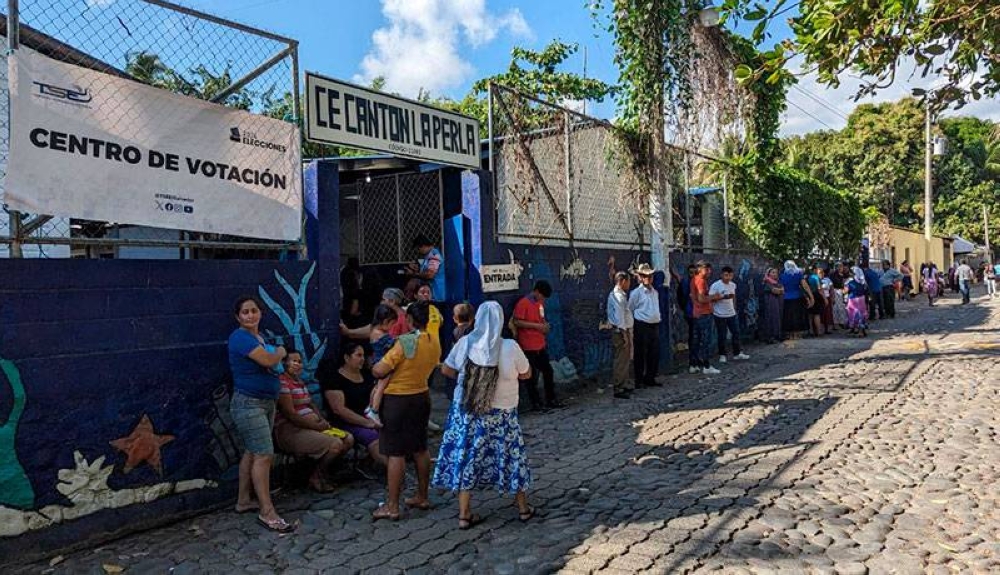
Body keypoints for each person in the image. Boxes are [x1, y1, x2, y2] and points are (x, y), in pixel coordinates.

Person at [432, 302, 535, 529]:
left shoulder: (465, 344)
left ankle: (463, 514)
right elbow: (526, 374)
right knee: (511, 458)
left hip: (468, 412)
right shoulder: (510, 347)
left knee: (468, 457)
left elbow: (446, 370)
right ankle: (523, 508)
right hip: (503, 414)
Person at [227, 296, 294, 533]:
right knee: (264, 454)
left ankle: (244, 500)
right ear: (238, 317)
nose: (250, 315)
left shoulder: (258, 337)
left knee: (252, 451)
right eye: (245, 312)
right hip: (249, 403)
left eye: (254, 310)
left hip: (265, 401)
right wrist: (281, 351)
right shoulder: (240, 338)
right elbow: (267, 359)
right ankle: (267, 511)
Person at [371, 301, 442, 521]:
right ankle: (422, 495)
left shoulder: (405, 343)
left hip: (397, 400)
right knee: (420, 448)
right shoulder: (434, 340)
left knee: (396, 453)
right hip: (421, 395)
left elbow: (379, 369)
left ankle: (392, 505)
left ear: (410, 321)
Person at [274, 350, 354, 493]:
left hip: (313, 427)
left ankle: (319, 472)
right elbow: (290, 414)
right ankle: (317, 476)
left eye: (300, 361)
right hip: (291, 431)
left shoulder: (299, 382)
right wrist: (315, 426)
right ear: (284, 363)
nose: (298, 364)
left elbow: (311, 404)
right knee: (335, 444)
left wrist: (322, 421)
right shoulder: (282, 383)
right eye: (294, 361)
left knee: (348, 439)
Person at [321, 342, 387, 470]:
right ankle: (395, 473)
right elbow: (339, 410)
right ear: (346, 358)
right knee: (372, 436)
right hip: (347, 421)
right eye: (358, 355)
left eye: (363, 355)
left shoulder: (366, 375)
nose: (362, 359)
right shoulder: (334, 379)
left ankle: (372, 462)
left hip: (369, 415)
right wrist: (367, 423)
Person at [513, 280, 564, 410]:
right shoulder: (523, 303)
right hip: (528, 345)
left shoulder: (540, 303)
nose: (542, 299)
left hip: (539, 344)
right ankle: (536, 403)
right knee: (531, 376)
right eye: (541, 295)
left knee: (548, 371)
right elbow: (517, 322)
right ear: (536, 291)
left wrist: (544, 326)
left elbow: (541, 318)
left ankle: (550, 399)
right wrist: (537, 326)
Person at [628, 264, 664, 386]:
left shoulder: (655, 292)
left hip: (654, 325)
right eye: (645, 276)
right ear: (640, 277)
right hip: (641, 325)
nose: (648, 278)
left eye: (650, 275)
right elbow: (630, 308)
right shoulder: (636, 293)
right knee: (640, 354)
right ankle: (639, 380)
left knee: (654, 353)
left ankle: (650, 378)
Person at [709, 266, 749, 364]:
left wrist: (734, 308)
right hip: (719, 314)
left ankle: (737, 353)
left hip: (731, 313)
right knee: (722, 335)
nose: (728, 278)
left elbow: (733, 297)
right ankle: (722, 355)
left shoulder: (732, 285)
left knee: (736, 333)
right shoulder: (715, 285)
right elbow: (710, 298)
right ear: (721, 275)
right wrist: (722, 297)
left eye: (730, 275)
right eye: (726, 275)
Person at [607, 271, 635, 399]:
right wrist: (624, 334)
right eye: (628, 281)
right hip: (620, 332)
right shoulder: (618, 296)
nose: (629, 284)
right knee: (621, 360)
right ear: (623, 281)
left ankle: (623, 384)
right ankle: (618, 387)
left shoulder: (620, 295)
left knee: (625, 359)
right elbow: (619, 318)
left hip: (623, 330)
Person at [690, 261, 720, 375]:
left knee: (696, 340)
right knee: (706, 340)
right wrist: (714, 296)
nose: (709, 272)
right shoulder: (701, 281)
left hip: (697, 313)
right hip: (703, 313)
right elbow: (702, 299)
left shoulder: (694, 279)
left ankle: (694, 364)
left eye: (709, 269)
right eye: (706, 269)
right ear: (700, 269)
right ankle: (706, 365)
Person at [405, 235, 446, 303]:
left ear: (423, 246)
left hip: (437, 294)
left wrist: (414, 274)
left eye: (418, 249)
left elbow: (430, 275)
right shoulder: (428, 256)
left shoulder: (434, 255)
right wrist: (417, 270)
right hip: (433, 294)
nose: (419, 251)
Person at [779, 261, 813, 337]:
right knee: (797, 316)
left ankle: (789, 334)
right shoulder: (798, 274)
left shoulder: (782, 275)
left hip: (786, 299)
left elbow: (782, 288)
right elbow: (805, 286)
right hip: (798, 298)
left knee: (788, 317)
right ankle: (797, 334)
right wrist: (811, 297)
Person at [676, 264, 697, 357]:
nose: (692, 274)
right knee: (693, 335)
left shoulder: (697, 282)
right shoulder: (685, 283)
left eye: (694, 272)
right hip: (690, 312)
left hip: (696, 312)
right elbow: (680, 297)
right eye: (691, 273)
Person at [760, 267, 784, 344]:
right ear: (769, 274)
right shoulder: (767, 282)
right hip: (770, 304)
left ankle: (777, 336)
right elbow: (775, 291)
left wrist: (779, 290)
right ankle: (770, 337)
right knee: (771, 319)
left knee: (777, 319)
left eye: (776, 272)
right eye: (773, 272)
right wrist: (779, 290)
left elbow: (782, 290)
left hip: (777, 303)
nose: (775, 274)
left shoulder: (776, 282)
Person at [845, 268, 869, 337]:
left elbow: (845, 291)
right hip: (861, 299)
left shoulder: (851, 283)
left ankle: (859, 331)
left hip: (853, 300)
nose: (850, 274)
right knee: (861, 315)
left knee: (854, 316)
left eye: (852, 273)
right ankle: (862, 330)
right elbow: (865, 290)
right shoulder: (863, 282)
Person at [806, 264, 827, 336]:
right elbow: (820, 289)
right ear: (815, 270)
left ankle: (811, 331)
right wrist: (825, 299)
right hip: (816, 295)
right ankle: (818, 331)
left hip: (808, 296)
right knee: (816, 314)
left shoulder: (807, 277)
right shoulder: (816, 277)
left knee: (810, 315)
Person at [830, 262, 849, 328]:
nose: (841, 268)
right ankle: (835, 324)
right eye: (839, 266)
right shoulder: (833, 274)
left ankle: (842, 322)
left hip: (842, 291)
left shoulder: (844, 274)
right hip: (836, 291)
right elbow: (833, 283)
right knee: (835, 308)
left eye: (841, 266)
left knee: (842, 308)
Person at [817, 267, 835, 334]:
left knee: (828, 314)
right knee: (820, 314)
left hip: (827, 298)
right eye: (819, 273)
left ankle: (827, 329)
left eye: (822, 272)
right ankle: (820, 329)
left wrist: (833, 297)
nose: (821, 274)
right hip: (819, 299)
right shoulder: (816, 279)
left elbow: (832, 289)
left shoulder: (827, 279)